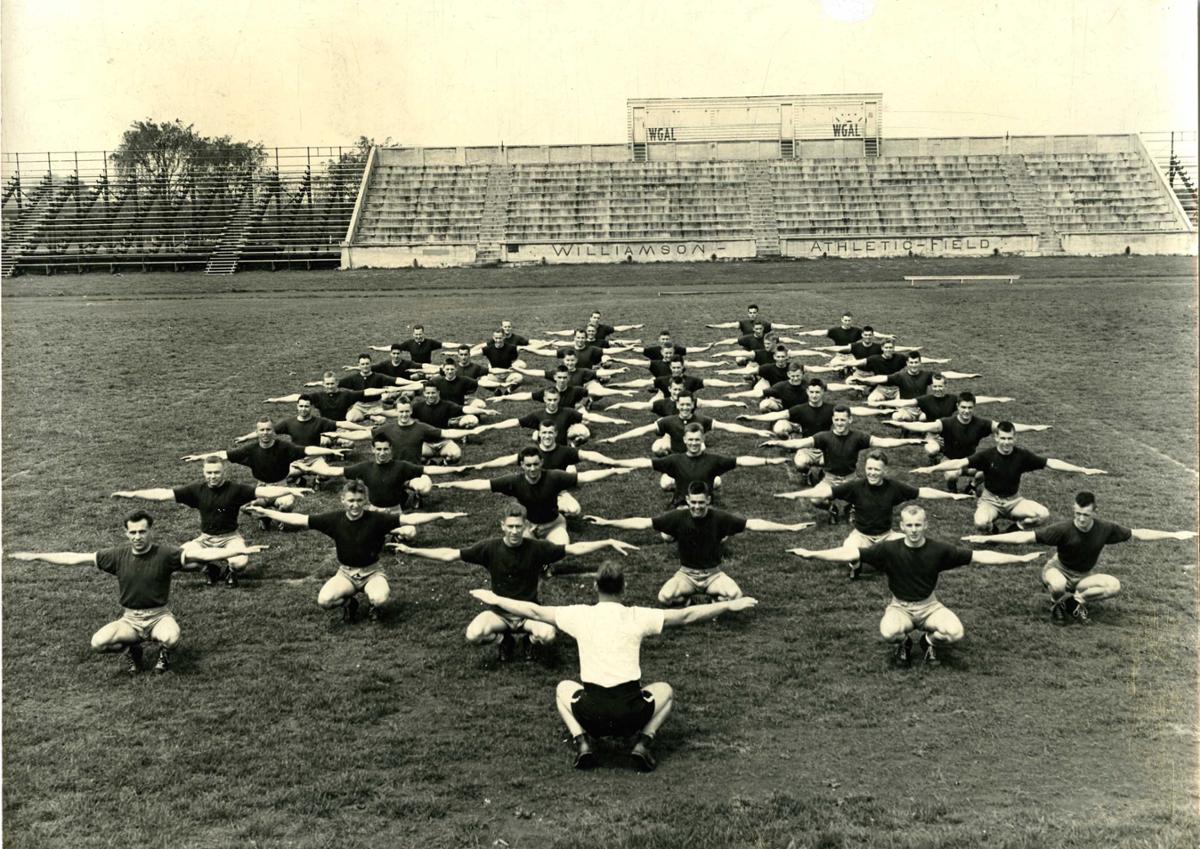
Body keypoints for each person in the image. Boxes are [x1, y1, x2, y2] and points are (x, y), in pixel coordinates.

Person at [468, 562, 758, 770]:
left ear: (595, 587)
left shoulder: (579, 615)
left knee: (562, 689)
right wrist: (727, 606)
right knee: (666, 690)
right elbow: (686, 616)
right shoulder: (637, 615)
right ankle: (643, 742)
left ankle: (582, 742)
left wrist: (495, 599)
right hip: (631, 715)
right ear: (624, 587)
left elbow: (532, 610)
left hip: (592, 714)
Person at [10, 510, 267, 675]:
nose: (137, 537)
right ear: (126, 533)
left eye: (142, 531)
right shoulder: (115, 556)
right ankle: (134, 649)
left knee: (172, 638)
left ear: (150, 531)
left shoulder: (166, 554)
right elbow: (74, 559)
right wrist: (36, 556)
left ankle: (164, 654)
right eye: (132, 532)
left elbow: (204, 554)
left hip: (158, 616)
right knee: (98, 643)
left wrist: (238, 551)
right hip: (130, 618)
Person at [787, 504, 1040, 665]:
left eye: (918, 525)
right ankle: (904, 643)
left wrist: (1019, 558)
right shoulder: (888, 549)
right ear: (901, 526)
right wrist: (812, 553)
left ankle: (928, 643)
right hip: (900, 608)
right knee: (889, 633)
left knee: (955, 633)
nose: (914, 530)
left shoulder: (939, 550)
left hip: (930, 607)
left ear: (926, 525)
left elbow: (980, 557)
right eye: (909, 525)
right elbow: (849, 554)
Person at [394, 504, 638, 660]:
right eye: (509, 526)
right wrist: (413, 551)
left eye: (518, 527)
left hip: (529, 612)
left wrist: (606, 541)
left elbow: (574, 549)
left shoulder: (537, 548)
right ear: (502, 526)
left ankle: (530, 642)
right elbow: (449, 554)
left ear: (526, 527)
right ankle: (504, 640)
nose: (514, 531)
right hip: (499, 614)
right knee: (473, 634)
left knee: (548, 636)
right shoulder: (488, 548)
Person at [962, 491, 1195, 623]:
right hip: (1058, 569)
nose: (1081, 519)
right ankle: (1057, 604)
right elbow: (1025, 538)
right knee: (1058, 584)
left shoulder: (1106, 528)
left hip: (1083, 576)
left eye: (1085, 515)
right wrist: (987, 539)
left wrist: (1174, 535)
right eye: (1077, 514)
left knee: (1113, 585)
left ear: (1095, 512)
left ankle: (1076, 602)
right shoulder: (1063, 529)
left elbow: (1139, 534)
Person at [585, 481, 812, 605]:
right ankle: (693, 600)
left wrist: (789, 527)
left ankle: (711, 600)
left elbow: (754, 524)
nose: (697, 507)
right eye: (693, 502)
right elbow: (643, 523)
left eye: (701, 503)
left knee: (736, 595)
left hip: (713, 574)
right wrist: (608, 522)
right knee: (664, 597)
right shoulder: (677, 517)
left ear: (708, 501)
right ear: (687, 500)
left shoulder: (720, 517)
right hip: (686, 575)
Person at [111, 457, 310, 586]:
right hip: (205, 539)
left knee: (240, 562)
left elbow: (264, 491)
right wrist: (132, 494)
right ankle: (210, 568)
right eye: (209, 473)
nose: (212, 476)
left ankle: (231, 572)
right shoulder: (196, 490)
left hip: (230, 537)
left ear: (224, 472)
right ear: (204, 473)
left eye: (216, 472)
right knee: (177, 560)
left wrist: (290, 490)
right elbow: (163, 494)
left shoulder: (236, 489)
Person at [775, 450, 970, 577]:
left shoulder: (894, 487)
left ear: (884, 470)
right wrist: (795, 494)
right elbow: (824, 492)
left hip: (887, 535)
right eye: (869, 469)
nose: (873, 473)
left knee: (915, 549)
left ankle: (879, 559)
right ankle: (861, 563)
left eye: (877, 470)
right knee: (848, 553)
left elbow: (922, 492)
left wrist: (951, 497)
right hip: (861, 536)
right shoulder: (855, 486)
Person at [244, 480, 406, 622]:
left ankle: (374, 607)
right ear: (342, 500)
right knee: (325, 601)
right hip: (346, 573)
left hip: (372, 572)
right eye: (350, 500)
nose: (354, 505)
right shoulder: (334, 519)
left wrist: (432, 515)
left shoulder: (376, 519)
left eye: (359, 500)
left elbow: (410, 519)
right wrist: (266, 512)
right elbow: (298, 519)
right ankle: (351, 604)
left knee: (379, 599)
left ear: (365, 501)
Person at [912, 421, 1106, 533]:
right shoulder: (987, 455)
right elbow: (959, 463)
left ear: (1015, 438)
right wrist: (932, 469)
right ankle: (993, 530)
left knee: (1043, 514)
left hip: (1014, 501)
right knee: (980, 522)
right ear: (996, 438)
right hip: (989, 500)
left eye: (1009, 438)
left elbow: (1051, 463)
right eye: (1002, 438)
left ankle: (1016, 528)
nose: (1006, 442)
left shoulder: (1022, 456)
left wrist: (1082, 469)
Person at [433, 447, 634, 543]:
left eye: (536, 464)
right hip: (527, 525)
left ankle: (548, 562)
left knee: (560, 548)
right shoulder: (513, 481)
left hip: (554, 523)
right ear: (521, 465)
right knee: (523, 554)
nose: (532, 469)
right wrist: (453, 484)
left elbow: (586, 477)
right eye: (528, 465)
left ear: (541, 464)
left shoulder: (554, 477)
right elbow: (482, 484)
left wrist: (613, 470)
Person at [759, 405, 924, 520]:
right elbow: (799, 443)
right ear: (833, 420)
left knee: (870, 502)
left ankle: (852, 507)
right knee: (815, 499)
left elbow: (884, 442)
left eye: (843, 420)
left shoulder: (859, 437)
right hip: (829, 479)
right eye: (836, 420)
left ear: (850, 420)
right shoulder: (824, 437)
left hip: (851, 479)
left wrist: (909, 441)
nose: (839, 423)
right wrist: (779, 443)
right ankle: (832, 509)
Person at [180, 416, 346, 531]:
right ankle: (264, 518)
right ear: (257, 432)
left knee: (286, 503)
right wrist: (197, 457)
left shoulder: (284, 447)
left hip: (281, 487)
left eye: (268, 430)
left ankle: (282, 520)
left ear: (273, 431)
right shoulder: (250, 449)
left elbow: (307, 450)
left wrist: (329, 451)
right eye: (262, 430)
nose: (265, 433)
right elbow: (223, 454)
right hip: (261, 488)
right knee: (244, 506)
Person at [883, 392, 1050, 492]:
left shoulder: (981, 423)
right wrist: (900, 423)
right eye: (963, 407)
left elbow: (1006, 428)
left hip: (971, 461)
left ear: (974, 408)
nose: (966, 411)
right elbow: (923, 426)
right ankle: (952, 488)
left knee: (994, 468)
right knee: (951, 474)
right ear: (958, 406)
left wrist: (1034, 427)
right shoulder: (947, 422)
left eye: (970, 408)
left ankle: (971, 486)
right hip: (951, 460)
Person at [304, 434, 466, 520]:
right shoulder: (365, 468)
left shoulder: (401, 466)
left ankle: (396, 532)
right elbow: (336, 472)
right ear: (373, 450)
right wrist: (307, 467)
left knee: (409, 533)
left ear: (391, 449)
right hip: (373, 510)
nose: (382, 453)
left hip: (396, 511)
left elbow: (428, 470)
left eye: (386, 449)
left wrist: (455, 469)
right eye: (379, 449)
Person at [615, 422, 788, 503]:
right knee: (667, 537)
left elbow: (741, 461)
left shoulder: (714, 460)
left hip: (703, 505)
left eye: (697, 440)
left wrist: (768, 461)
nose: (694, 443)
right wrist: (615, 462)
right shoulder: (675, 460)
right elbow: (645, 463)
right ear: (684, 440)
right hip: (682, 504)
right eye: (690, 440)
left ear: (703, 440)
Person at [598, 393, 771, 456]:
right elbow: (643, 430)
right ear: (678, 405)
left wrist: (757, 432)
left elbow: (728, 426)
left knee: (715, 480)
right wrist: (616, 438)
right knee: (666, 484)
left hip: (695, 452)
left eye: (688, 405)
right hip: (676, 455)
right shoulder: (668, 421)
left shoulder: (702, 420)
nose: (685, 407)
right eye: (682, 405)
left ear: (693, 405)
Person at [472, 385, 629, 447]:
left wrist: (614, 420)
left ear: (558, 399)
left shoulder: (567, 412)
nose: (552, 403)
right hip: (546, 453)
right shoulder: (538, 414)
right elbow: (515, 422)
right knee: (536, 437)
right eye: (549, 400)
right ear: (544, 400)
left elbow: (592, 418)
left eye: (555, 400)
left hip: (562, 450)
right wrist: (490, 426)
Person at [334, 398, 479, 464]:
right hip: (397, 469)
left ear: (411, 411)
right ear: (397, 412)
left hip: (415, 470)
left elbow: (446, 433)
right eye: (401, 412)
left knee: (425, 487)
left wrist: (469, 433)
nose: (404, 415)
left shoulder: (421, 427)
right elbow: (364, 435)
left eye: (407, 412)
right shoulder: (388, 429)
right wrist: (339, 434)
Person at [740, 377, 888, 437]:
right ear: (807, 392)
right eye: (812, 392)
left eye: (818, 392)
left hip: (823, 443)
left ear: (823, 392)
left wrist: (883, 409)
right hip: (806, 437)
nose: (815, 395)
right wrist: (752, 417)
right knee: (779, 428)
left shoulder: (831, 408)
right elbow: (776, 415)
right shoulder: (800, 408)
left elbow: (856, 410)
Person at [849, 351, 980, 405]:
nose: (913, 365)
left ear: (920, 363)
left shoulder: (927, 375)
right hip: (906, 402)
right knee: (895, 413)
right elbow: (881, 378)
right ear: (907, 364)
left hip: (921, 404)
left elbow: (947, 374)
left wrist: (968, 375)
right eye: (911, 363)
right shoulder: (900, 376)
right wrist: (863, 380)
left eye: (916, 362)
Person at [872, 374, 1013, 423]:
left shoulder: (953, 399)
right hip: (932, 427)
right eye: (935, 387)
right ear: (932, 386)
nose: (938, 389)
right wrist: (885, 403)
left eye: (940, 387)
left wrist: (997, 399)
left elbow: (977, 399)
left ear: (945, 386)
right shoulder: (926, 399)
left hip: (947, 427)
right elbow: (905, 402)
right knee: (920, 421)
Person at [265, 372, 396, 423]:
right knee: (323, 442)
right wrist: (276, 400)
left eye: (332, 383)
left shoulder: (346, 395)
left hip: (342, 425)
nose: (330, 386)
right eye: (327, 384)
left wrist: (384, 389)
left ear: (336, 383)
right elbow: (296, 397)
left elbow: (367, 392)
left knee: (348, 445)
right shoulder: (317, 396)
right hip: (325, 426)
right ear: (323, 384)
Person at [705, 303, 801, 335]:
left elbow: (778, 326)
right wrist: (714, 326)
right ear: (748, 313)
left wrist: (794, 327)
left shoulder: (763, 323)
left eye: (754, 313)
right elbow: (729, 325)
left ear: (757, 313)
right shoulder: (743, 323)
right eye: (750, 313)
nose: (752, 315)